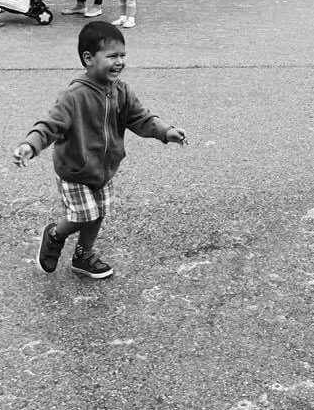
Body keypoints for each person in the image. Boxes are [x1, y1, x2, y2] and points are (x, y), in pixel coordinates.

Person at [13, 21, 187, 279]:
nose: (120, 62)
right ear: (89, 58)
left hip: (104, 169)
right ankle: (54, 235)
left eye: (123, 55)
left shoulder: (122, 92)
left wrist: (165, 131)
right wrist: (30, 144)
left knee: (99, 213)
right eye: (113, 56)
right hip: (74, 169)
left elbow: (141, 118)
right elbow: (50, 125)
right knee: (83, 215)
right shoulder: (74, 95)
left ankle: (83, 256)